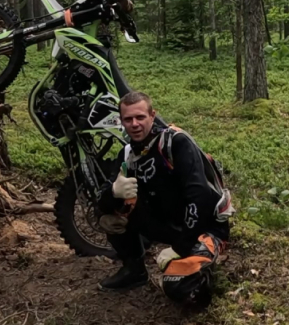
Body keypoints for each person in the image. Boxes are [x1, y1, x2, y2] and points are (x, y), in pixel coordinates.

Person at [97, 91, 234, 306]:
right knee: (109, 216)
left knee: (178, 288)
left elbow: (198, 196)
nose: (135, 124)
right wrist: (113, 192)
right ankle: (134, 270)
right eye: (128, 119)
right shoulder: (127, 154)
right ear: (121, 121)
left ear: (152, 115)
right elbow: (101, 204)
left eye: (140, 117)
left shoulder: (175, 142)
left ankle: (203, 263)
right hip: (168, 223)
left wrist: (180, 248)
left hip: (204, 226)